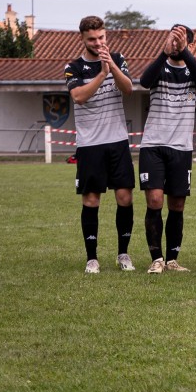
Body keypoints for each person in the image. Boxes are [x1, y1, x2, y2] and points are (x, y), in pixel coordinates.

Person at [65, 15, 136, 274]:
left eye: (101, 38)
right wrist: (101, 74)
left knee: (125, 197)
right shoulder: (73, 67)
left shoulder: (117, 59)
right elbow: (79, 97)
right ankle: (92, 258)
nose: (98, 43)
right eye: (92, 39)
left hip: (117, 141)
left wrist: (111, 68)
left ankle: (123, 254)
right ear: (82, 39)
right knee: (91, 200)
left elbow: (128, 89)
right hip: (90, 144)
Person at [138, 25, 196, 274]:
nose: (177, 45)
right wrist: (164, 51)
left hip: (181, 147)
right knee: (155, 200)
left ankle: (172, 259)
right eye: (173, 39)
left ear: (190, 44)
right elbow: (144, 81)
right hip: (153, 145)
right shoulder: (160, 67)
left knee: (177, 204)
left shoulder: (193, 72)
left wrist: (184, 50)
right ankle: (156, 258)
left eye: (182, 41)